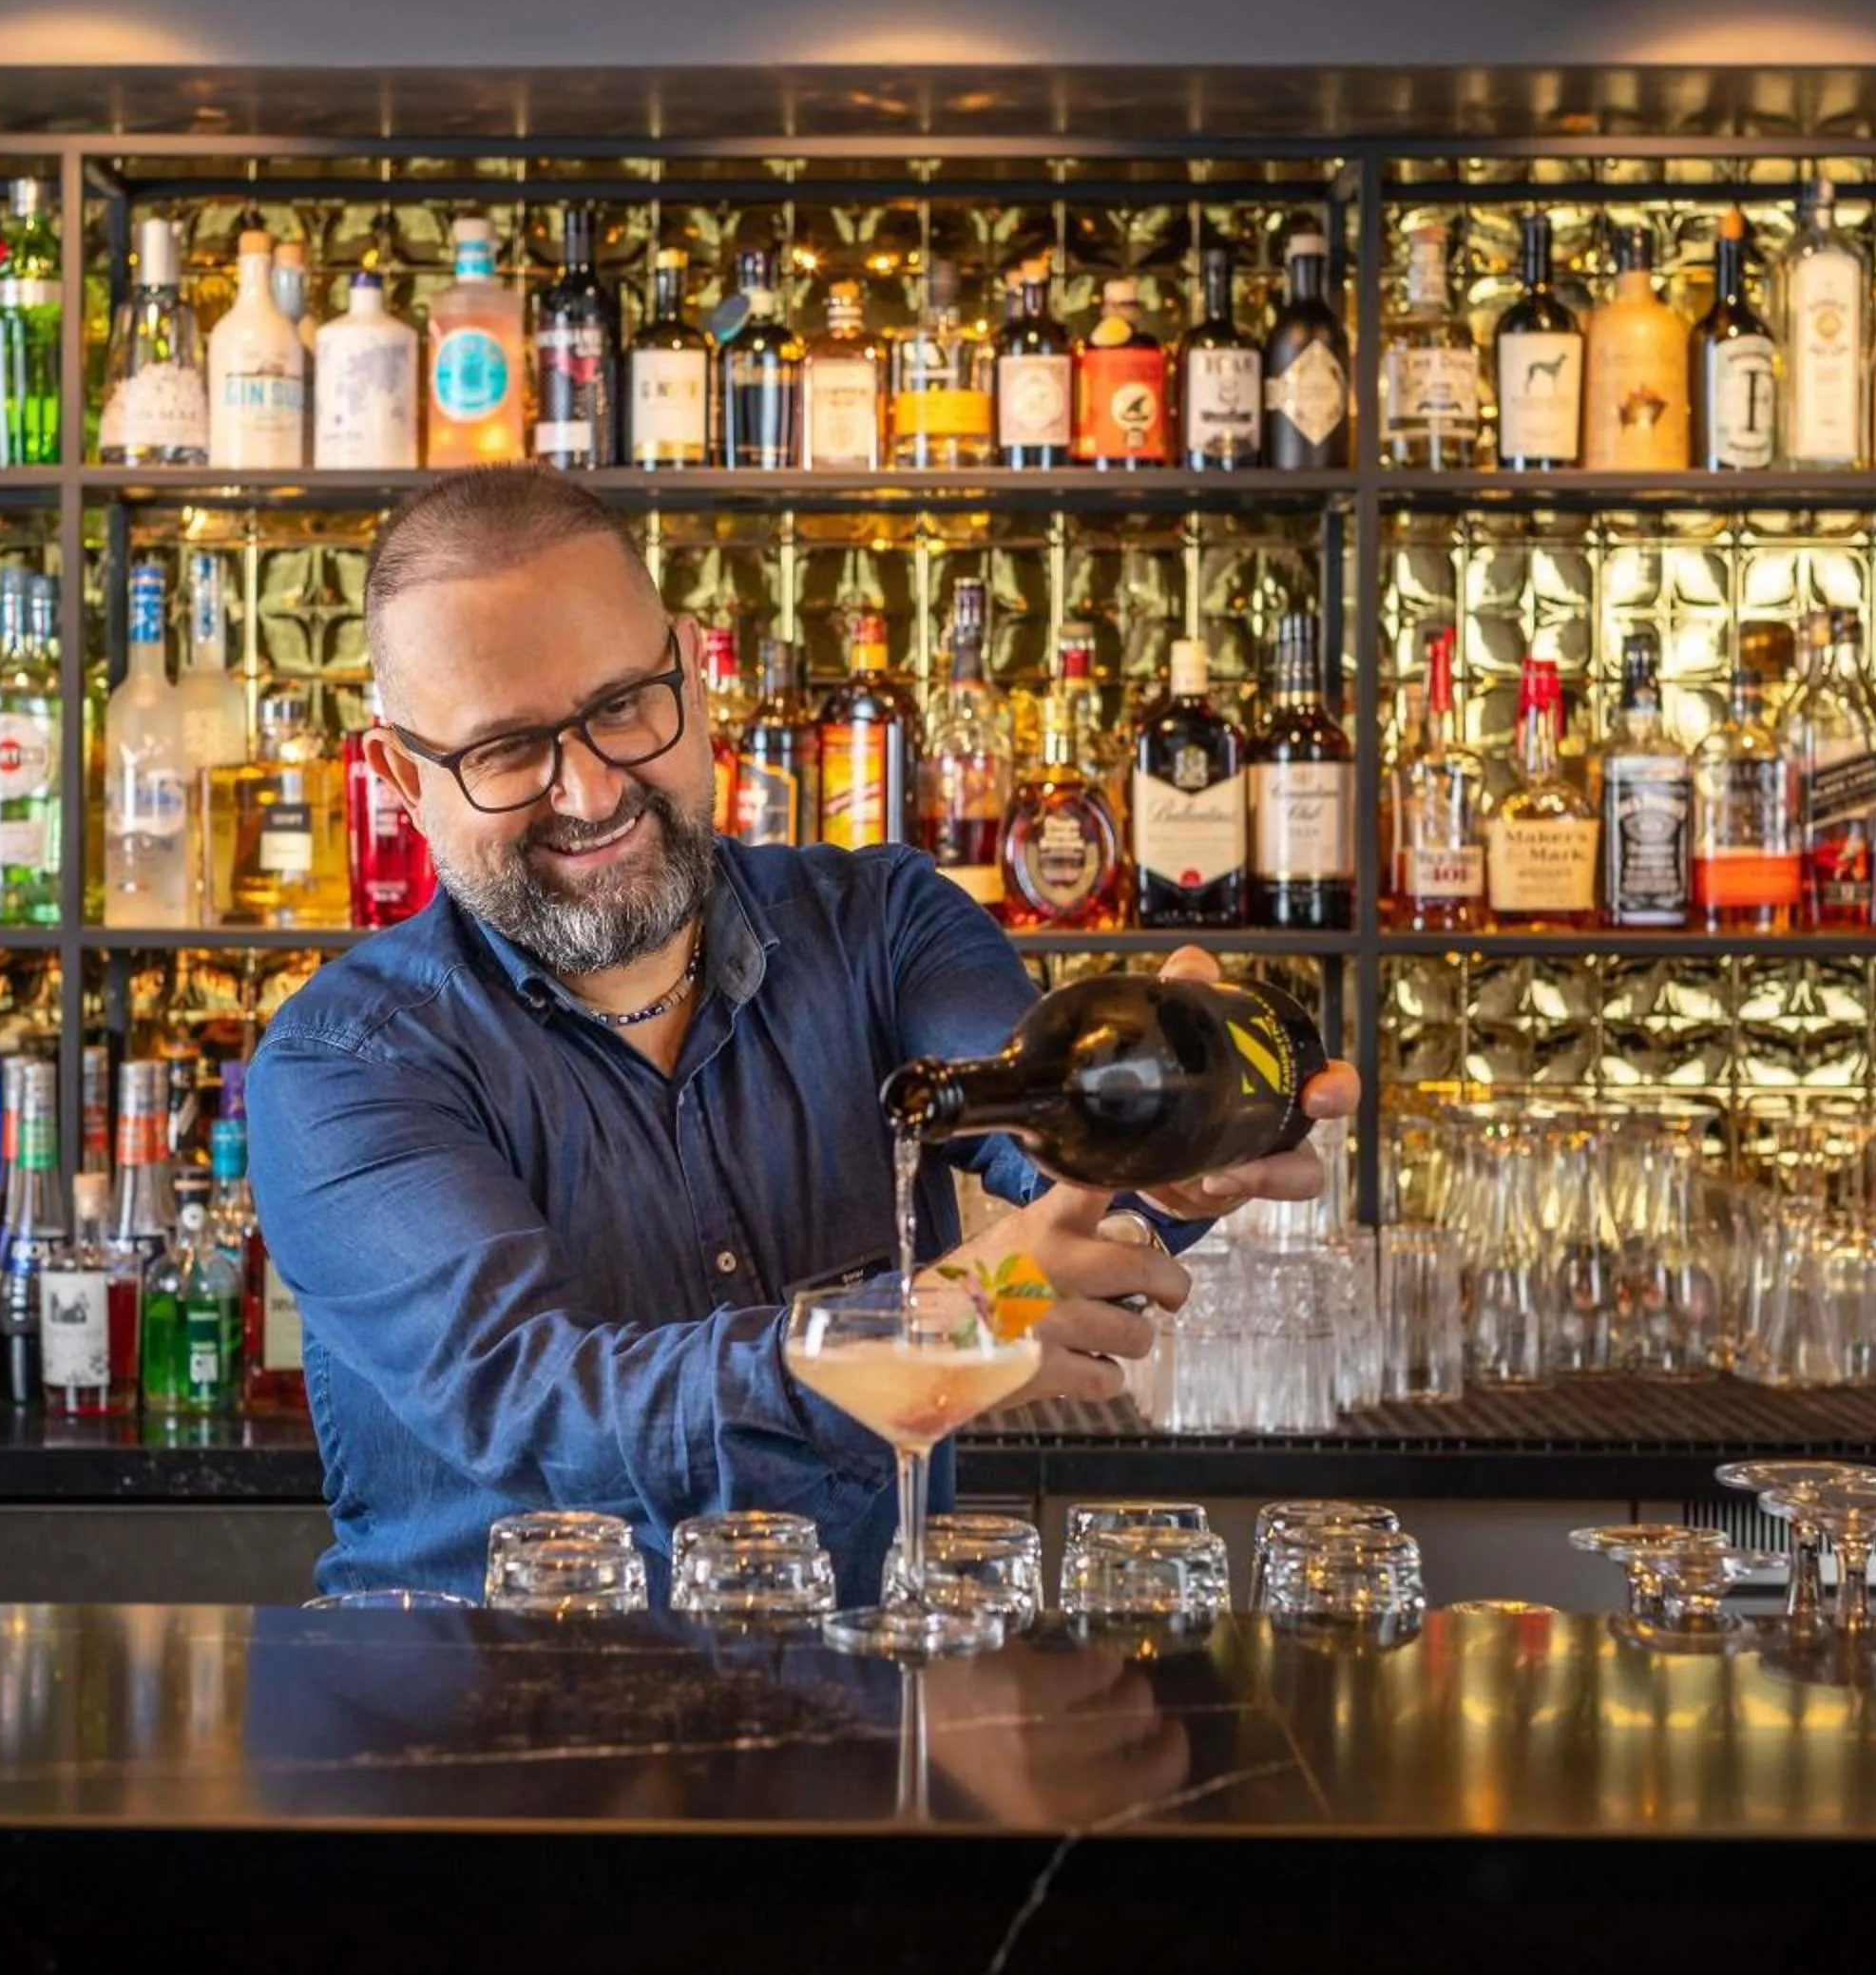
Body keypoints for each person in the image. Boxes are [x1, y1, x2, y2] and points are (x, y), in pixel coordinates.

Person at [244, 466, 1359, 1601]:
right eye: (506, 751)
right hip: (482, 1694)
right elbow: (547, 1407)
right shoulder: (344, 1065)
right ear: (403, 775)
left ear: (692, 672)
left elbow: (1078, 1182)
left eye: (623, 706)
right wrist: (935, 1330)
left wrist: (1179, 1156)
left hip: (860, 1686)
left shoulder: (884, 927)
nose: (589, 792)